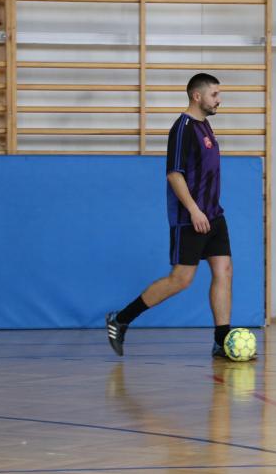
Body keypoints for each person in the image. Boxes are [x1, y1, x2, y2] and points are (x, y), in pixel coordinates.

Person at [106, 73, 234, 358]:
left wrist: (207, 210)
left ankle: (221, 341)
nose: (219, 100)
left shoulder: (205, 126)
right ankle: (121, 319)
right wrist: (194, 210)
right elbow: (174, 174)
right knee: (181, 279)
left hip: (214, 214)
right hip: (191, 218)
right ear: (197, 96)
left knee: (224, 271)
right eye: (214, 94)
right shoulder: (182, 129)